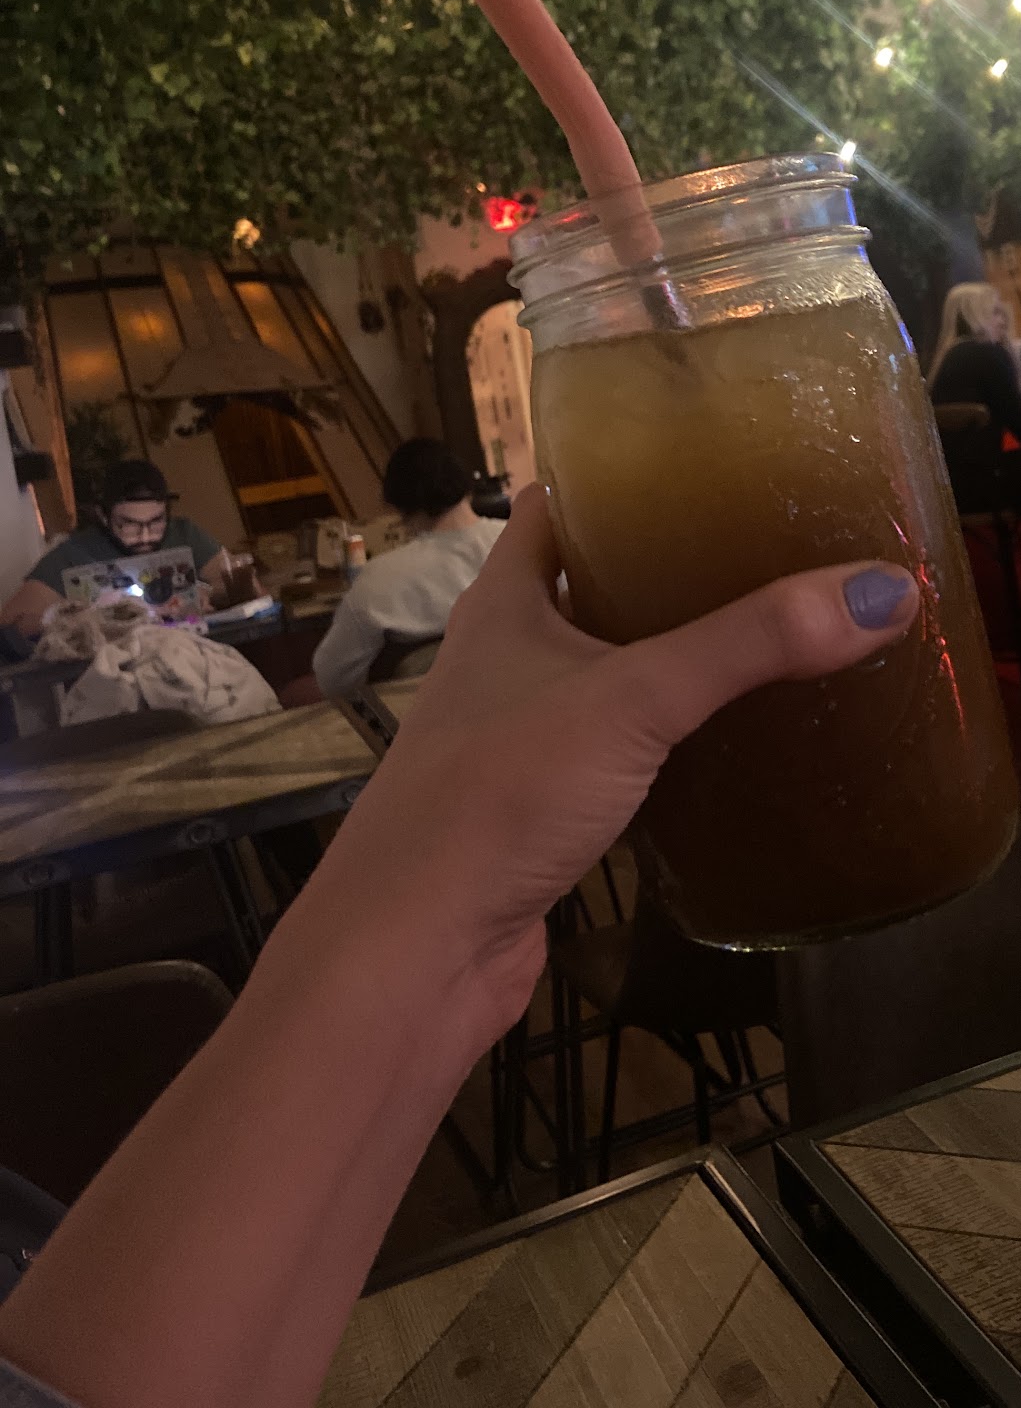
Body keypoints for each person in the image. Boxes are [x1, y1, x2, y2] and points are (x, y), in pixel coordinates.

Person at [0, 486, 921, 1407]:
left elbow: (326, 675)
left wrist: (441, 927)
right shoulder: (514, 565)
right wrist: (439, 929)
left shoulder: (380, 584)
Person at [310, 439, 506, 701]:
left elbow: (332, 677)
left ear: (401, 505)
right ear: (465, 482)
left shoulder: (379, 579)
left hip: (430, 714)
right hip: (529, 699)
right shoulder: (524, 541)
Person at [929, 281, 1021, 619]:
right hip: (988, 487)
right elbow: (1019, 423)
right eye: (995, 311)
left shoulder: (943, 362)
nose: (1003, 319)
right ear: (975, 315)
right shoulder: (987, 354)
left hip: (954, 488)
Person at [0, 460, 232, 641]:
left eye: (156, 522)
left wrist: (207, 594)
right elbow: (11, 623)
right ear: (103, 516)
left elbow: (238, 584)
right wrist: (79, 618)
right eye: (129, 525)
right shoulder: (74, 554)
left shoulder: (184, 535)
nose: (145, 536)